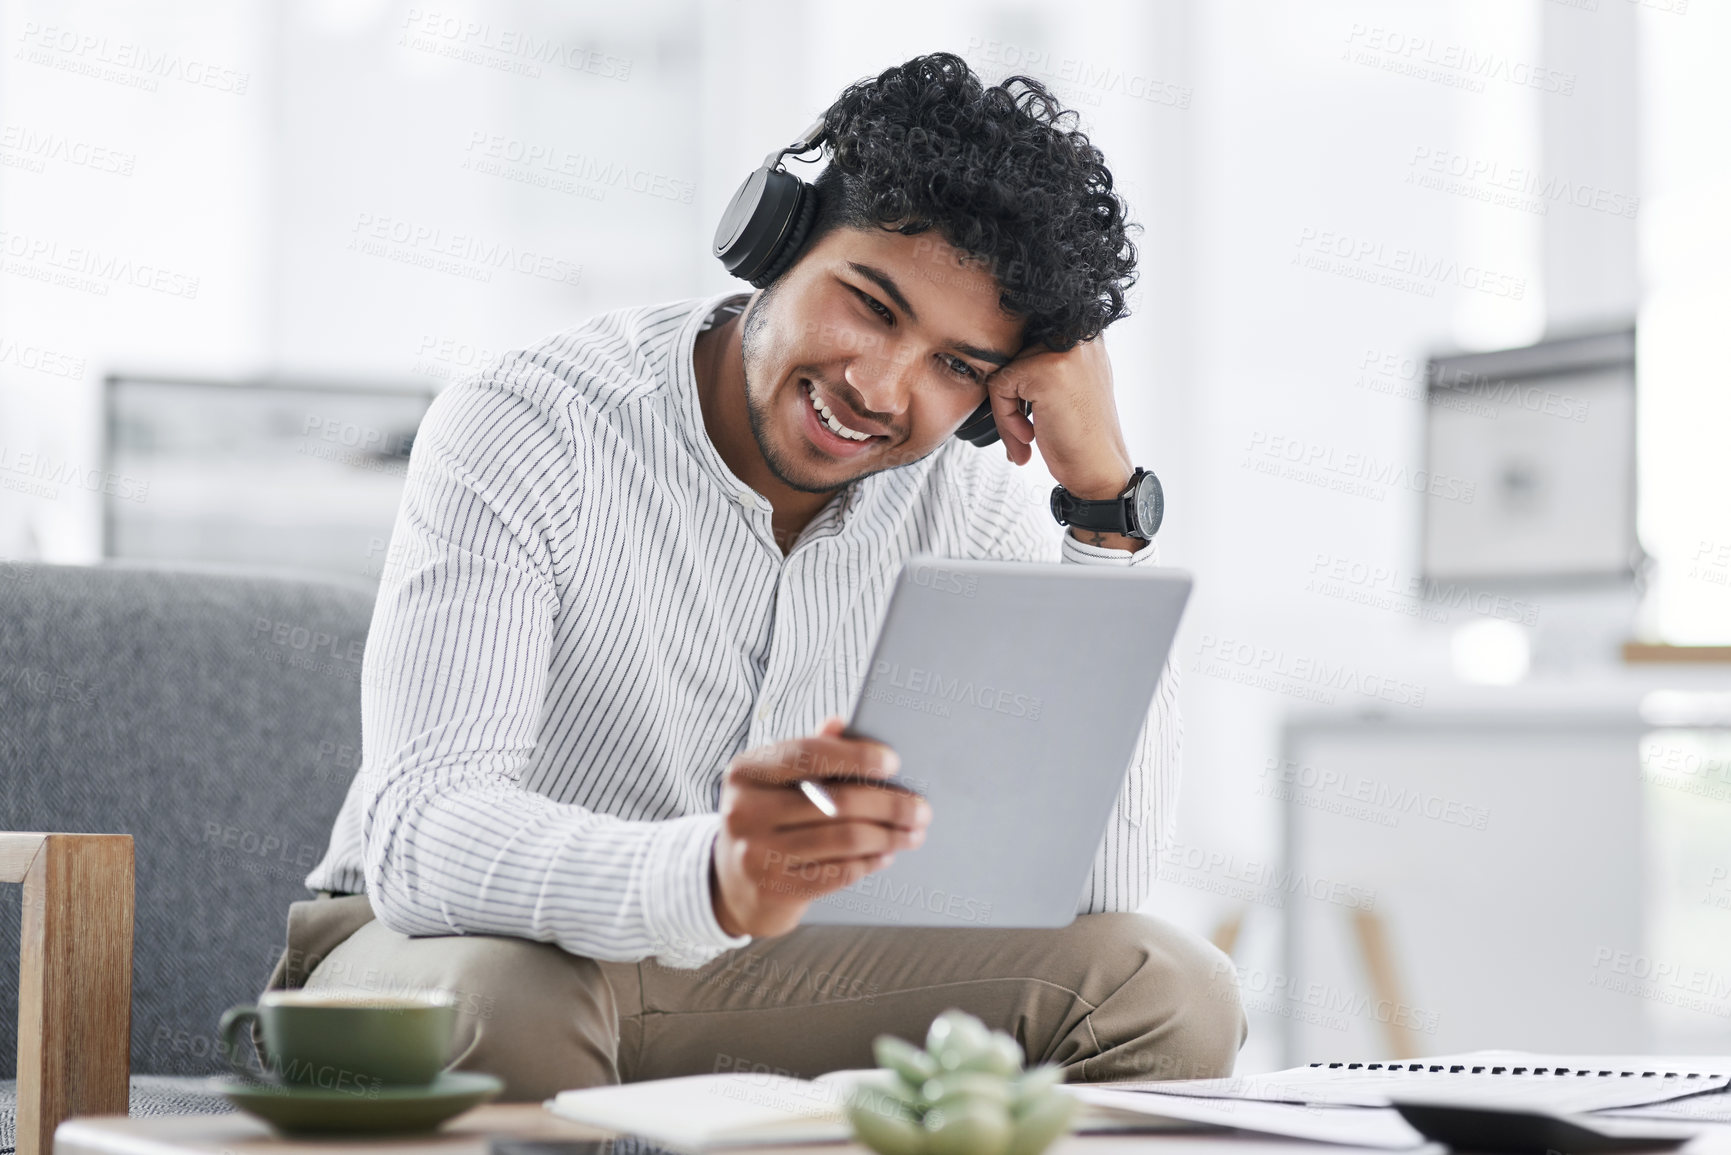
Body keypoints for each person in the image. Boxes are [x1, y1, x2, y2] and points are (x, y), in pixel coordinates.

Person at [270, 50, 1245, 1099]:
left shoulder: (964, 505)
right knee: (512, 1009)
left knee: (1169, 989)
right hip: (441, 947)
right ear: (777, 236)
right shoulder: (529, 425)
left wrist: (1102, 510)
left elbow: (1097, 892)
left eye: (956, 366)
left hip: (754, 974)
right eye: (870, 305)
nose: (880, 388)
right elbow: (425, 840)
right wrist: (713, 876)